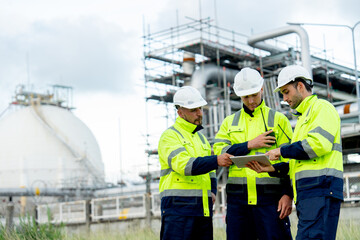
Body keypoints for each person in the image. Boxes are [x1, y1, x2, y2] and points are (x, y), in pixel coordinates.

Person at [246, 65, 343, 240]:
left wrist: (281, 150)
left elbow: (318, 144)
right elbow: (298, 162)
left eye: (286, 92)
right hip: (310, 193)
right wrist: (272, 169)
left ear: (300, 86)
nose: (284, 98)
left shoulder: (321, 108)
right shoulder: (303, 118)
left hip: (320, 190)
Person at [213, 67, 294, 240]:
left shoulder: (279, 120)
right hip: (238, 204)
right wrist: (249, 145)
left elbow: (292, 161)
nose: (250, 101)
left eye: (254, 95)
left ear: (262, 89)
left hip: (271, 201)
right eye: (245, 96)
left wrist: (288, 194)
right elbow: (220, 151)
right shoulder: (229, 123)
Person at [158, 86, 233, 240]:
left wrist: (212, 190)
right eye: (193, 110)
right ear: (180, 112)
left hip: (202, 210)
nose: (199, 113)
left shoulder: (202, 139)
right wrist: (217, 159)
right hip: (178, 212)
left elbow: (211, 171)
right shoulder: (169, 137)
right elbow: (185, 165)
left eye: (199, 108)